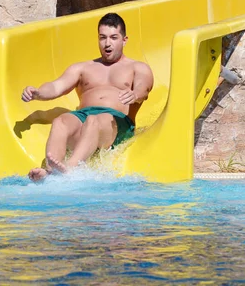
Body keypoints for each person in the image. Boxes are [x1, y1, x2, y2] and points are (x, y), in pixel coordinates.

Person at [22, 13, 154, 181]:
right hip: (84, 118)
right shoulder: (83, 67)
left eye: (114, 37)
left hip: (116, 122)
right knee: (61, 121)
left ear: (124, 40)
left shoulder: (137, 67)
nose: (107, 43)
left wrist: (135, 94)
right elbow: (57, 86)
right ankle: (50, 172)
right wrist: (38, 93)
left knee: (93, 120)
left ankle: (70, 169)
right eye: (102, 37)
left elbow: (144, 89)